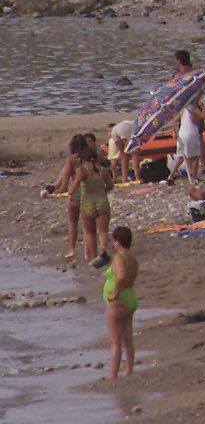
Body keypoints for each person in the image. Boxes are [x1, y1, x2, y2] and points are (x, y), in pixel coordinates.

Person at [44, 134, 88, 260]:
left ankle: (72, 249)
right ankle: (87, 251)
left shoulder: (71, 159)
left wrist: (58, 190)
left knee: (73, 222)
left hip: (76, 190)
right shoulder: (91, 157)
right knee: (87, 224)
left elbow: (66, 178)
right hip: (89, 190)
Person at [103, 226, 138, 380]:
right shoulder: (133, 258)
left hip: (119, 301)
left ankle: (113, 375)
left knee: (115, 342)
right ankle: (129, 370)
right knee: (127, 337)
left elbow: (122, 276)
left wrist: (116, 291)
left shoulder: (119, 257)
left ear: (117, 241)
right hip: (130, 298)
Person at [74, 146, 112, 264]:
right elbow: (110, 186)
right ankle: (103, 253)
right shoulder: (103, 170)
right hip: (102, 201)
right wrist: (102, 192)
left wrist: (71, 193)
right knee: (103, 231)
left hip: (87, 203)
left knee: (89, 232)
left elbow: (74, 187)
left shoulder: (82, 171)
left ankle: (93, 257)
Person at [175, 98, 205, 182]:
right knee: (195, 157)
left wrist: (176, 134)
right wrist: (202, 106)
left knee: (182, 156)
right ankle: (193, 177)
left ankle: (171, 176)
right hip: (191, 134)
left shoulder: (182, 109)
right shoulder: (193, 109)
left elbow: (175, 121)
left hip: (181, 134)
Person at [106, 120, 138, 186]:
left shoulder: (130, 122)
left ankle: (124, 179)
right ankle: (138, 177)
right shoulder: (136, 125)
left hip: (116, 130)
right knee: (134, 154)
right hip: (125, 130)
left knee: (123, 156)